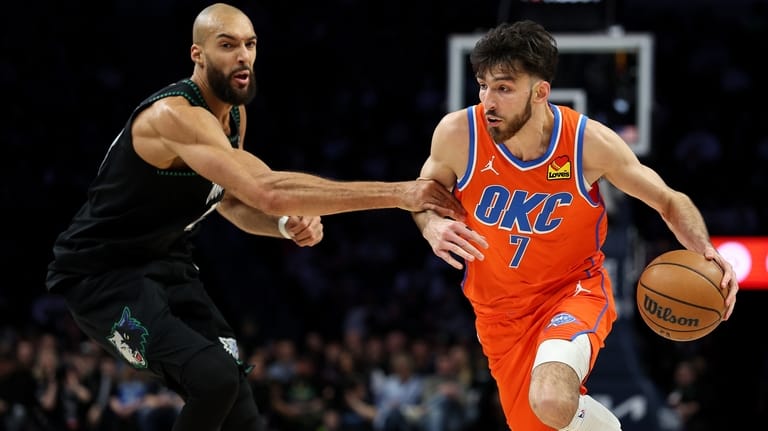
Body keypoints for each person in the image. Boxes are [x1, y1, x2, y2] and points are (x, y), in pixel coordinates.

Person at [45, 4, 465, 431]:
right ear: (198, 55)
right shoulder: (175, 116)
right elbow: (267, 191)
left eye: (250, 44)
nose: (243, 55)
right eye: (227, 45)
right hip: (103, 273)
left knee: (238, 399)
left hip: (166, 261)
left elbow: (227, 200)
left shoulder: (234, 116)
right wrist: (400, 193)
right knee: (213, 380)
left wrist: (283, 226)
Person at [411, 20, 739, 431]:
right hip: (498, 314)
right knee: (545, 419)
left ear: (540, 91)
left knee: (550, 396)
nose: (488, 101)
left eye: (504, 88)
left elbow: (669, 200)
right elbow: (422, 195)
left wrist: (707, 251)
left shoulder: (588, 144)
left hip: (572, 292)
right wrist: (431, 227)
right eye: (482, 86)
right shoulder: (458, 134)